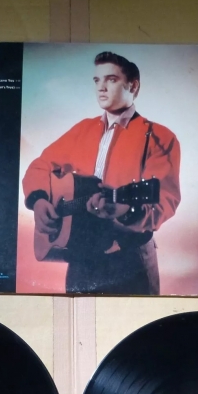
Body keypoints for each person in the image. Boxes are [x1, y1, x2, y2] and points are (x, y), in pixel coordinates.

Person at [22, 51, 181, 294]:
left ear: (133, 86)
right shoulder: (82, 129)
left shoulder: (159, 137)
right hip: (80, 258)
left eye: (111, 79)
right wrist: (39, 200)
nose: (101, 88)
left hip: (130, 259)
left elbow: (164, 202)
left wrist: (126, 211)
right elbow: (39, 166)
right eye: (97, 80)